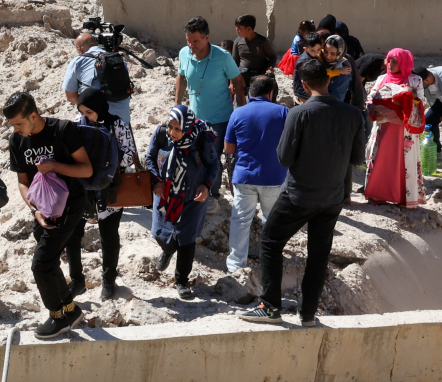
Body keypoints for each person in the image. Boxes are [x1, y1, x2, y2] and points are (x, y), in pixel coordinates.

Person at [239, 58, 366, 326]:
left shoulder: (298, 113)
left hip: (299, 195)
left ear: (305, 85)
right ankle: (307, 314)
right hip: (333, 198)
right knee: (318, 256)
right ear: (329, 80)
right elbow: (356, 157)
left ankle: (270, 306)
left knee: (271, 242)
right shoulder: (353, 114)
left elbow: (284, 158)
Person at [3, 92, 91, 339]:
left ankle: (57, 317)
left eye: (19, 123)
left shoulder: (63, 130)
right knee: (49, 261)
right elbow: (23, 182)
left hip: (70, 206)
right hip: (43, 210)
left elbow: (86, 169)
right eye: (13, 126)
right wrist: (34, 210)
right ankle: (71, 311)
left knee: (40, 264)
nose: (16, 129)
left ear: (33, 115)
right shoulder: (17, 141)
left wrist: (54, 166)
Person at [146, 105, 219, 300]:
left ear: (186, 127)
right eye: (170, 126)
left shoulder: (201, 138)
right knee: (159, 232)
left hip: (192, 197)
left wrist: (205, 185)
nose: (172, 132)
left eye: (177, 129)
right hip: (164, 195)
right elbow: (150, 158)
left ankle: (182, 281)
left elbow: (213, 164)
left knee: (187, 239)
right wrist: (156, 182)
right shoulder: (162, 135)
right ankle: (168, 249)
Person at [74, 86, 138, 300]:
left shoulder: (118, 124)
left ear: (99, 108)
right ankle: (76, 280)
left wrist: (106, 161)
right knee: (74, 233)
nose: (86, 116)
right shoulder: (78, 124)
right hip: (83, 188)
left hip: (110, 187)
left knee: (109, 235)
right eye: (83, 112)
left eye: (89, 112)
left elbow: (130, 154)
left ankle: (108, 282)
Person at [223, 76, 288, 276]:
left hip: (245, 176)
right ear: (270, 93)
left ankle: (236, 265)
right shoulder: (283, 112)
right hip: (274, 176)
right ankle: (270, 261)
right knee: (272, 220)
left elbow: (228, 147)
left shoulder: (238, 113)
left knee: (241, 220)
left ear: (251, 92)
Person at [175, 16, 244, 198]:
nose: (191, 45)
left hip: (219, 119)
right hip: (193, 118)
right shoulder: (184, 53)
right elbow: (181, 77)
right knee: (195, 156)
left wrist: (242, 110)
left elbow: (238, 80)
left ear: (207, 37)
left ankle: (212, 195)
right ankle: (197, 190)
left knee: (212, 158)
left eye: (196, 41)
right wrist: (177, 105)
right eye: (188, 40)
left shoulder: (223, 56)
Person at [363, 48, 427, 208]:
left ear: (404, 63)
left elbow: (421, 102)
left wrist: (407, 98)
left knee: (403, 162)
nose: (390, 64)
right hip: (383, 126)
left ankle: (404, 198)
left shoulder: (415, 80)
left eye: (395, 61)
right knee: (382, 160)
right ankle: (378, 195)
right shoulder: (382, 78)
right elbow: (371, 97)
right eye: (389, 60)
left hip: (405, 130)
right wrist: (375, 110)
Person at [62, 30, 131, 125]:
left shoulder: (78, 61)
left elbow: (71, 97)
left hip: (96, 123)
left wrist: (91, 105)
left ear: (80, 49)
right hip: (123, 120)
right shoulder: (118, 60)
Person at [231, 14, 276, 88]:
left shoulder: (262, 41)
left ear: (249, 29)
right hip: (242, 78)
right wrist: (232, 82)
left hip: (259, 78)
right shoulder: (237, 42)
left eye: (239, 28)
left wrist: (270, 68)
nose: (236, 30)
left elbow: (272, 56)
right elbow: (234, 62)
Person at [290, 33, 325, 103]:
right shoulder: (305, 61)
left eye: (318, 49)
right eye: (313, 50)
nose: (316, 53)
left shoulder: (314, 56)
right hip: (303, 90)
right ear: (305, 49)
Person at [323, 35, 353, 103]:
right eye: (326, 52)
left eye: (332, 54)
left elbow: (337, 98)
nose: (328, 56)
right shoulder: (320, 58)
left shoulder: (344, 69)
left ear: (340, 53)